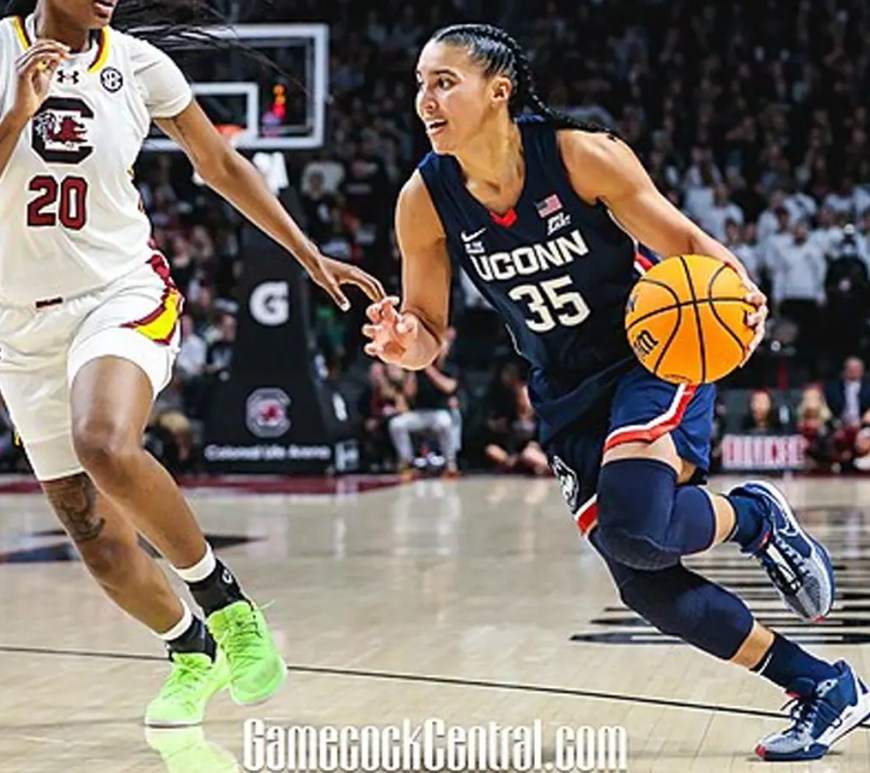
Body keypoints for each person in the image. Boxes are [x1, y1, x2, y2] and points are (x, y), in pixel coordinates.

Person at [363, 23, 869, 762]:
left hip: (652, 351)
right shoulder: (425, 199)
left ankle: (754, 518)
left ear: (498, 90)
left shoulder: (579, 157)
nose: (425, 99)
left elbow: (691, 246)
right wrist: (409, 345)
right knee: (643, 578)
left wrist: (742, 294)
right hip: (564, 388)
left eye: (444, 81)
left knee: (637, 519)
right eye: (419, 83)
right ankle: (822, 684)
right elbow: (430, 328)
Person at [0, 0, 384, 728]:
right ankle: (191, 648)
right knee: (97, 540)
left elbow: (220, 163)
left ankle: (227, 603)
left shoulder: (140, 66)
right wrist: (17, 112)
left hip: (116, 292)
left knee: (105, 442)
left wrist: (307, 252)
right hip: (18, 326)